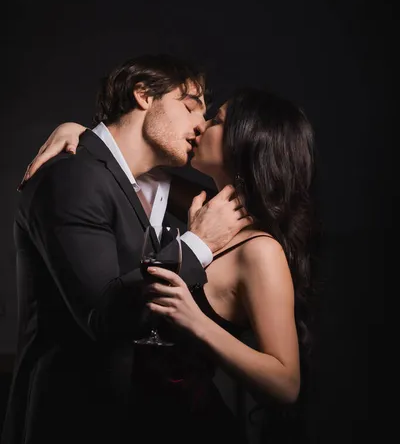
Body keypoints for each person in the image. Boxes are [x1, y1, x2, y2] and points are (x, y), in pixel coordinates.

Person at [19, 85, 318, 443]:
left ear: (246, 143)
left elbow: (286, 384)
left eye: (217, 120)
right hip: (134, 423)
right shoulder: (203, 208)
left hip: (191, 427)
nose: (201, 125)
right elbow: (125, 166)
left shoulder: (259, 250)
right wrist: (75, 130)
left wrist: (197, 324)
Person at [2, 54, 252, 444]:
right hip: (72, 423)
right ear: (142, 95)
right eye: (189, 106)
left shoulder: (150, 187)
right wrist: (198, 244)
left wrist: (78, 129)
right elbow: (104, 315)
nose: (200, 124)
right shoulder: (72, 177)